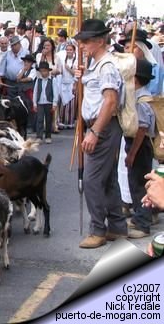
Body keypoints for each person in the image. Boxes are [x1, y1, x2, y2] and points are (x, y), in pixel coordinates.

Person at [74, 19, 127, 249]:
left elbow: (110, 101)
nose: (82, 45)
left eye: (85, 41)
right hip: (100, 126)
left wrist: (94, 131)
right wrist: (82, 77)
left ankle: (98, 229)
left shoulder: (106, 66)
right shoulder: (97, 64)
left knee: (92, 180)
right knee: (108, 178)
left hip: (102, 127)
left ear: (99, 41)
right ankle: (117, 225)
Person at [123, 59, 156, 239]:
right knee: (134, 182)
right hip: (137, 144)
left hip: (140, 145)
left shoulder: (142, 100)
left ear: (135, 79)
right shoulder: (137, 95)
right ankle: (139, 216)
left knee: (139, 186)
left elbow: (141, 130)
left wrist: (132, 154)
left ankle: (143, 224)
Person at [33, 61, 58, 144]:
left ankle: (48, 136)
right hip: (40, 102)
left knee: (48, 120)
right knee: (39, 119)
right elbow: (35, 92)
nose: (43, 73)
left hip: (49, 102)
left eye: (44, 71)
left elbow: (55, 92)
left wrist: (54, 103)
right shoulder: (38, 80)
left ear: (48, 71)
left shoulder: (53, 80)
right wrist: (34, 103)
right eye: (41, 71)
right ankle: (39, 136)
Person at [59, 42, 77, 129]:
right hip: (63, 83)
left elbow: (76, 74)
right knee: (63, 103)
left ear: (74, 51)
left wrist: (68, 69)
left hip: (71, 83)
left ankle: (70, 122)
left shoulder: (76, 61)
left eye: (70, 50)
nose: (69, 51)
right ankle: (62, 121)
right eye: (67, 50)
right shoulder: (63, 60)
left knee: (71, 104)